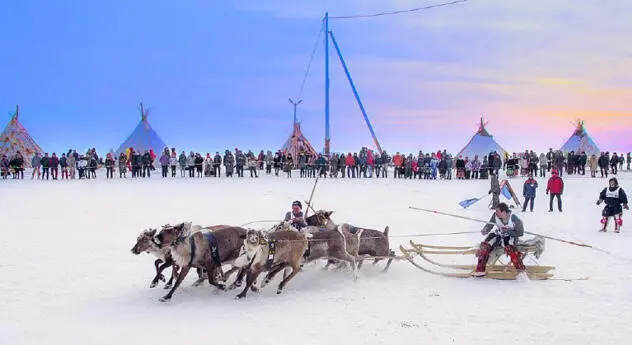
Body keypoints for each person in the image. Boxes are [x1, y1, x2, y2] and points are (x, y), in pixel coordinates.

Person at [472, 203, 526, 277]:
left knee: (511, 249)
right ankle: (480, 270)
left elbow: (520, 232)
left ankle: (521, 271)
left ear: (503, 212)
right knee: (484, 246)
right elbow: (489, 225)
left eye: (497, 211)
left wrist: (508, 231)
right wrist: (485, 229)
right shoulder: (495, 216)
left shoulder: (515, 219)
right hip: (498, 235)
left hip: (510, 237)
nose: (496, 213)